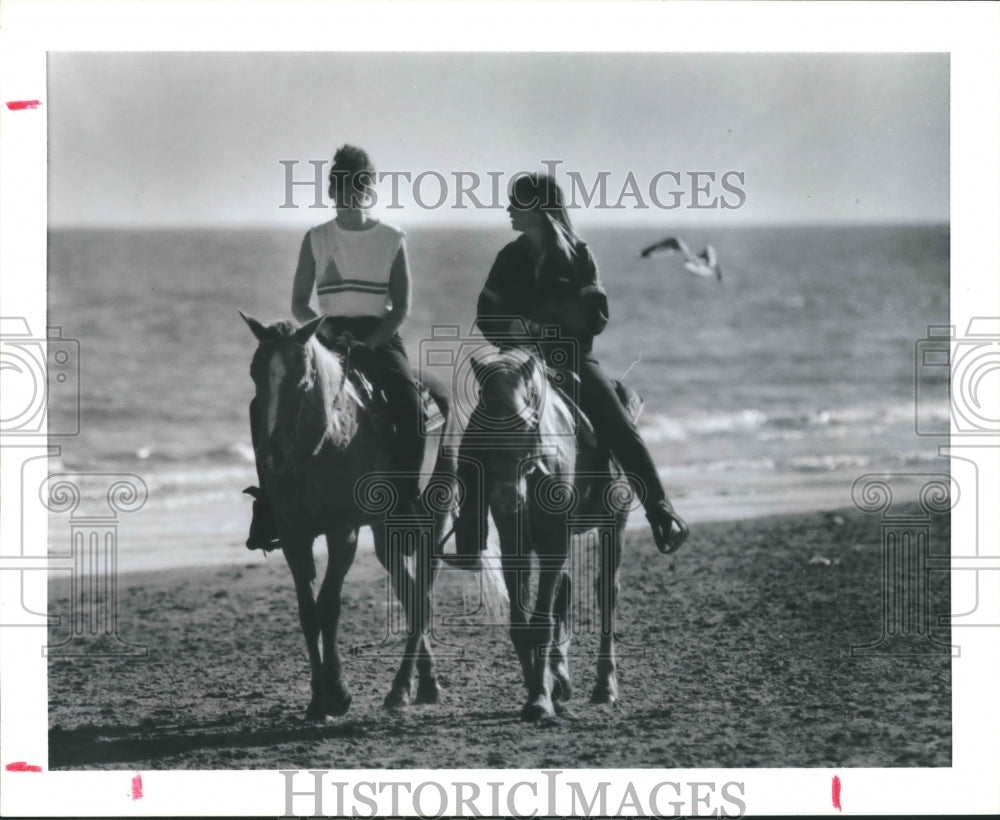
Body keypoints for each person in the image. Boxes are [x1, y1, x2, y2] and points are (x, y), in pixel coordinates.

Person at [454, 172, 689, 555]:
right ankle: (469, 532)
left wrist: (549, 326)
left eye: (517, 202)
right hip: (519, 362)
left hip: (573, 359)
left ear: (539, 208)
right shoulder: (508, 257)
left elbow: (597, 315)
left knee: (617, 424)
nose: (509, 209)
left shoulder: (579, 255)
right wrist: (512, 327)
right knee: (477, 432)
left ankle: (660, 511)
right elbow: (485, 313)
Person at [245, 144, 425, 549]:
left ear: (369, 189)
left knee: (410, 406)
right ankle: (270, 505)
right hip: (326, 335)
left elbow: (402, 306)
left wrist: (369, 343)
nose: (347, 196)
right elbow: (298, 303)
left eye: (356, 187)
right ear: (332, 190)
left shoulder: (392, 238)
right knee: (263, 406)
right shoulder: (317, 238)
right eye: (340, 187)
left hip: (378, 335)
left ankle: (407, 503)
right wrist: (323, 336)